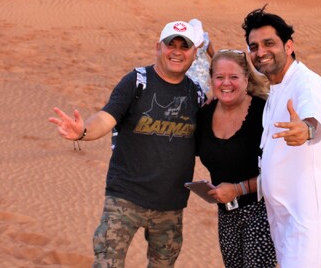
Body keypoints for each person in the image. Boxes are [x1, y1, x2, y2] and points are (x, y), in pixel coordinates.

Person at [48, 21, 206, 267]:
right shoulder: (137, 81)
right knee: (107, 262)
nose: (177, 52)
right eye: (170, 45)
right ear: (158, 48)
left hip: (170, 205)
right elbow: (106, 118)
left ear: (194, 53)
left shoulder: (196, 93)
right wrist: (83, 131)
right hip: (125, 198)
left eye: (184, 47)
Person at [242, 6, 321, 268]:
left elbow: (310, 120)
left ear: (288, 46)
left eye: (269, 43)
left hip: (309, 225)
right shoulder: (276, 90)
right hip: (284, 222)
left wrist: (306, 130)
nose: (261, 52)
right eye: (254, 46)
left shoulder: (307, 82)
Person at [195, 50, 277, 268]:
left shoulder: (264, 114)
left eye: (234, 77)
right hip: (226, 214)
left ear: (246, 79)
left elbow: (281, 174)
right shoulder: (204, 115)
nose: (226, 83)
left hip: (262, 213)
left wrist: (239, 189)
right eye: (219, 77)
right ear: (211, 79)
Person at [186, 18, 215, 94]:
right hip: (203, 70)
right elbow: (213, 55)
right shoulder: (205, 38)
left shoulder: (187, 40)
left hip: (189, 68)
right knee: (201, 90)